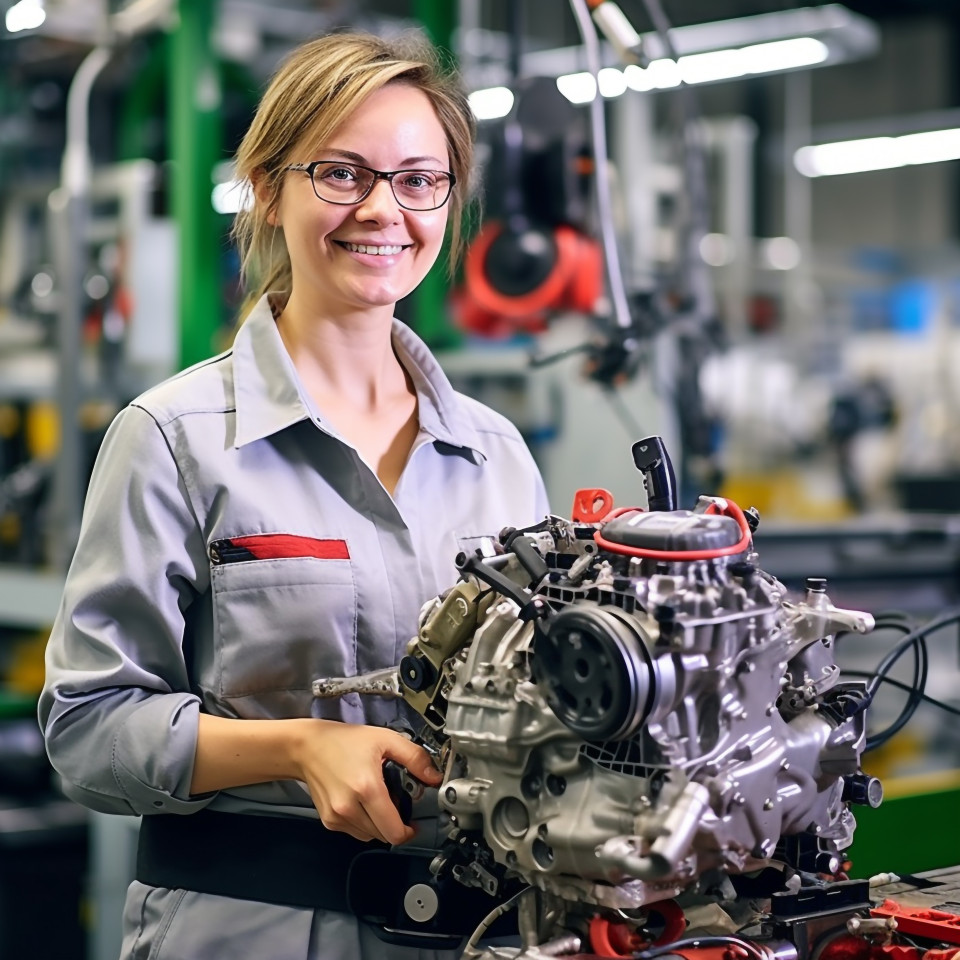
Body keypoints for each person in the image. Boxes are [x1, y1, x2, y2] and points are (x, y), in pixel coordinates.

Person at [39, 31, 549, 960]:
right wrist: (298, 746)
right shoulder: (174, 438)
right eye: (342, 174)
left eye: (418, 180)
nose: (383, 209)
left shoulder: (498, 455)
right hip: (253, 930)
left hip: (477, 932)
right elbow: (86, 731)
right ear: (269, 190)